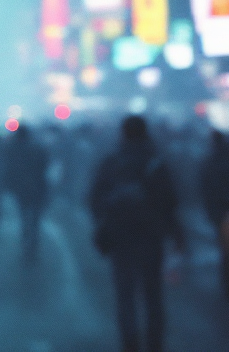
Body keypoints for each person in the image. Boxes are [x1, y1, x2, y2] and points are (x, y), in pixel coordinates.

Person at [89, 115, 183, 352]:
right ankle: (154, 344)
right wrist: (176, 235)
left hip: (121, 238)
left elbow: (94, 198)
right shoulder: (156, 162)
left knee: (125, 297)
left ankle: (130, 344)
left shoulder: (112, 162)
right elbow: (171, 201)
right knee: (153, 296)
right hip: (151, 237)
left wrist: (106, 221)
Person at [4, 124, 49, 258]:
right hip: (38, 187)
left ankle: (26, 238)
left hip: (22, 188)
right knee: (35, 216)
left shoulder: (12, 148)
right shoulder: (38, 148)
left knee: (24, 214)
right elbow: (45, 166)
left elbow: (9, 168)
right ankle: (33, 238)